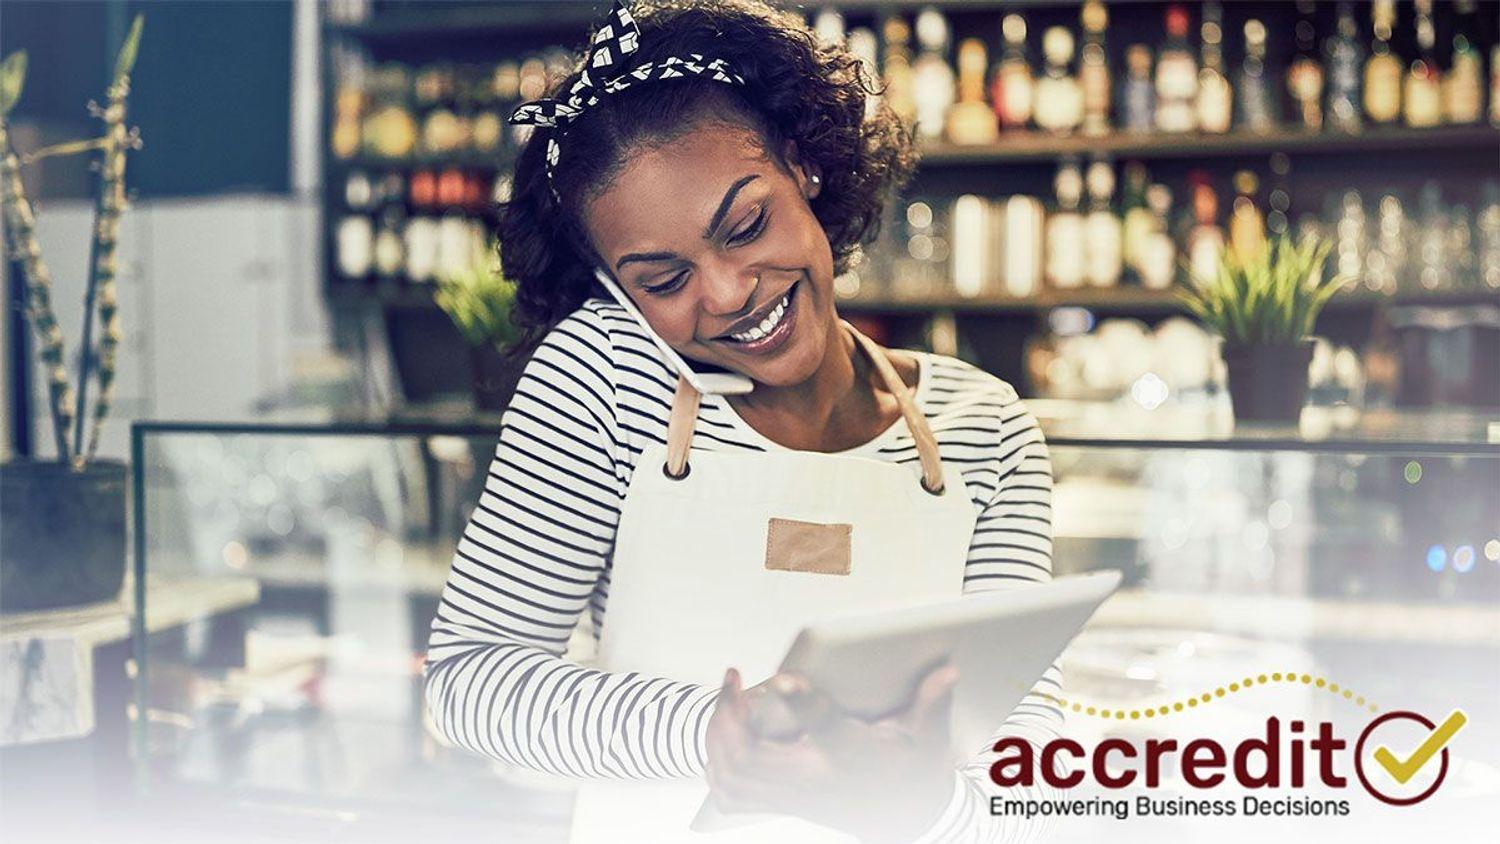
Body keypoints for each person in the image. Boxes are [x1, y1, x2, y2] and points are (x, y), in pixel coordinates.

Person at [423, 2, 1063, 841]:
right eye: (662, 279)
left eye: (746, 225)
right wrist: (713, 732)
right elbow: (469, 682)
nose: (725, 295)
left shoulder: (987, 429)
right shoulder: (609, 380)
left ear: (803, 167)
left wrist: (920, 803)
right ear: (617, 289)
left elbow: (1034, 782)